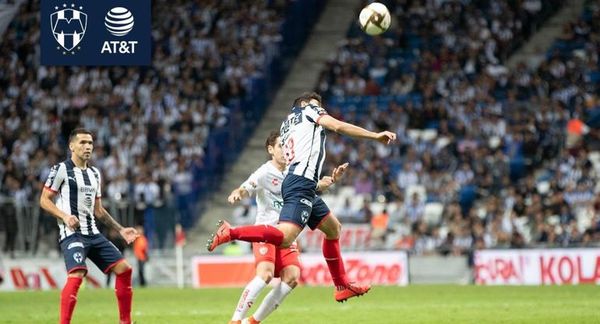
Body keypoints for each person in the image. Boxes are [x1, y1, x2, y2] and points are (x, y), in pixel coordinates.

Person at [208, 92, 396, 302]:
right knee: (287, 237)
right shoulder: (309, 109)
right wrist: (375, 135)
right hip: (300, 183)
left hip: (300, 181)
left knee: (333, 228)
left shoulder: (286, 124)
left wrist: (322, 181)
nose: (321, 109)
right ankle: (231, 232)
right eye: (318, 105)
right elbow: (338, 126)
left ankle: (342, 285)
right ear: (305, 103)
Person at [226, 131, 347, 324]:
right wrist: (238, 193)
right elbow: (245, 187)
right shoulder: (265, 172)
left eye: (287, 146)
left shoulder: (295, 171)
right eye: (280, 146)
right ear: (271, 149)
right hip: (266, 232)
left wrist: (330, 180)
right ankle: (235, 320)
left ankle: (252, 322)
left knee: (292, 278)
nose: (285, 150)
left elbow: (312, 187)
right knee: (265, 275)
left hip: (287, 234)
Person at [39, 128, 139, 324]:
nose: (87, 147)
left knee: (124, 269)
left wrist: (120, 229)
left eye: (90, 143)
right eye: (83, 142)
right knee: (77, 274)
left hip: (93, 233)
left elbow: (99, 210)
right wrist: (65, 216)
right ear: (72, 146)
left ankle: (125, 322)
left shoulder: (95, 173)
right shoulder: (61, 169)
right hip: (72, 234)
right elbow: (44, 200)